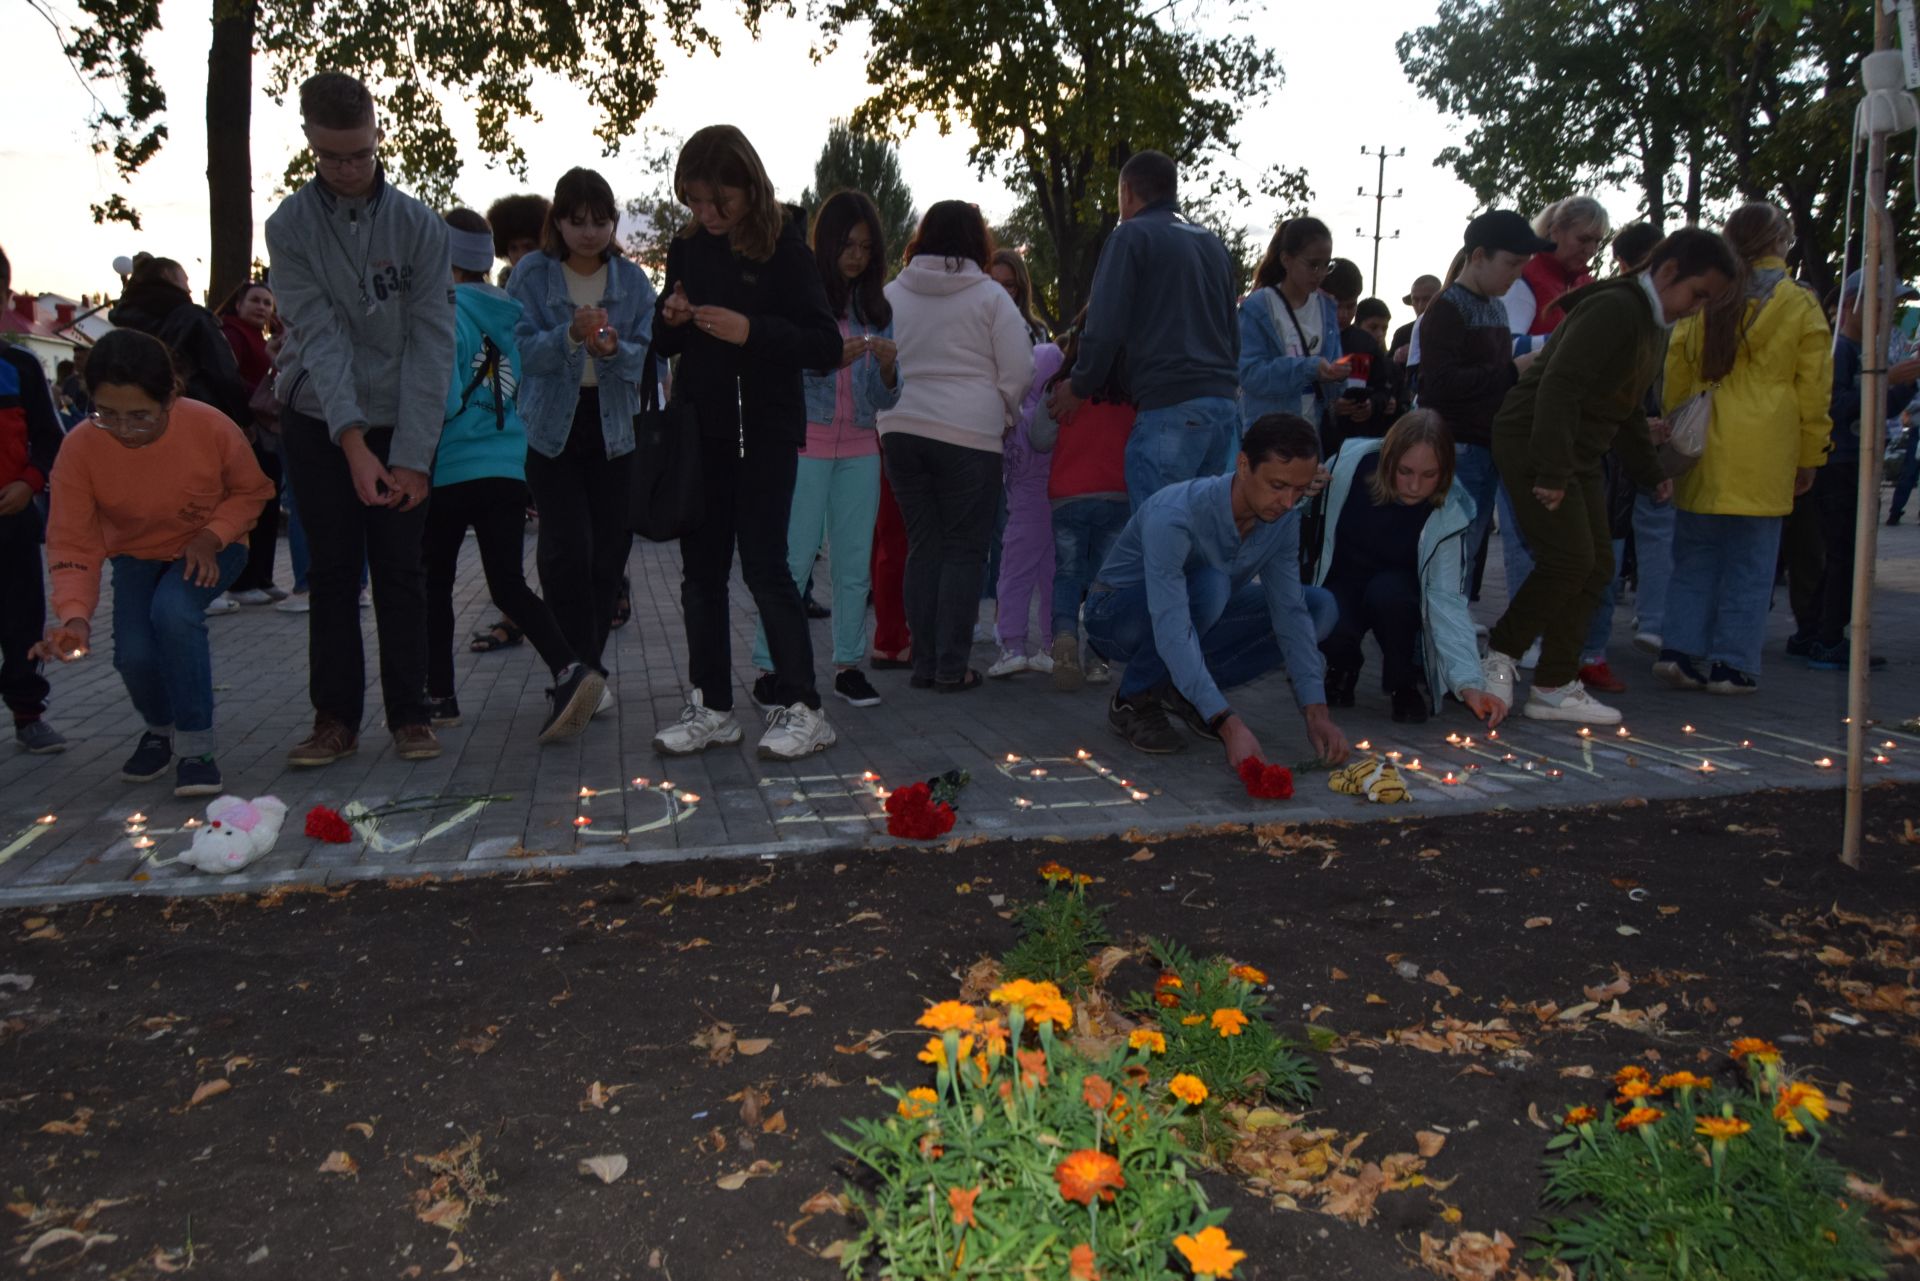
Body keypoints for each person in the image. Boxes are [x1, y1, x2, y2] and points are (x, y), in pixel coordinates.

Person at [266, 71, 455, 766]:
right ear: (311, 145)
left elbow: (435, 341)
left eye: (360, 154)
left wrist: (412, 454)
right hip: (320, 417)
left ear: (379, 138)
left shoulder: (419, 226)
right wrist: (351, 441)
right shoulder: (288, 227)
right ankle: (334, 718)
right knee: (336, 570)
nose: (347, 169)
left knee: (402, 566)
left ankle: (412, 712)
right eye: (332, 157)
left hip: (401, 412)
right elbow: (318, 337)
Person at [1479, 228, 1736, 725]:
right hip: (1536, 440)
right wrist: (1552, 471)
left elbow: (1627, 406)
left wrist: (1649, 472)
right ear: (1665, 271)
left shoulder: (1653, 322)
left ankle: (1554, 685)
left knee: (1596, 566)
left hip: (1576, 449)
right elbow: (1559, 386)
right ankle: (1501, 655)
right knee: (1569, 560)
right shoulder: (1616, 309)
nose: (1697, 308)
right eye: (1697, 294)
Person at [649, 125, 844, 759]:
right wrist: (670, 319)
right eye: (693, 202)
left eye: (716, 202)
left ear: (747, 187)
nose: (704, 215)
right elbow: (664, 343)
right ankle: (712, 707)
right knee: (700, 576)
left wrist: (750, 331)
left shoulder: (786, 248)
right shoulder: (687, 248)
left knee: (767, 569)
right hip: (702, 433)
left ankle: (805, 709)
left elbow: (823, 345)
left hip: (764, 433)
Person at [32, 329, 274, 796]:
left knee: (174, 612)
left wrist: (211, 535)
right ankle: (160, 730)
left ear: (171, 396)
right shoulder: (81, 448)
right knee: (133, 654)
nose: (123, 430)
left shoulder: (210, 427)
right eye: (107, 414)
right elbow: (72, 540)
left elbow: (254, 490)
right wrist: (75, 617)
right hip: (137, 555)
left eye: (140, 416)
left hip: (214, 546)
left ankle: (197, 747)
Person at [424, 208, 604, 741]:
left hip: (453, 466)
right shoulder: (511, 311)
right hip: (507, 463)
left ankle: (440, 695)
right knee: (507, 582)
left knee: (434, 580)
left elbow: (446, 395)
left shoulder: (446, 315)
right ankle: (570, 668)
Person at [1082, 412, 1348, 767]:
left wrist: (1317, 712)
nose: (1287, 503)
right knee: (1211, 585)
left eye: (1299, 490)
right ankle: (1133, 698)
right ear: (1242, 464)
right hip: (1117, 615)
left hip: (1198, 613)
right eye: (1278, 486)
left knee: (1320, 608)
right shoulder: (1176, 514)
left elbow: (1290, 612)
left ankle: (1184, 691)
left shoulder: (1283, 519)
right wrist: (1227, 723)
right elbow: (1172, 624)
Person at [1653, 204, 1831, 695]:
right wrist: (1812, 454)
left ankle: (1681, 652)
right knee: (1752, 565)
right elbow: (1815, 386)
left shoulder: (1710, 293)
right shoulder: (1798, 302)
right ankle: (1732, 665)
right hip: (1768, 446)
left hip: (1704, 439)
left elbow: (1678, 369)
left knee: (1695, 556)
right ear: (1780, 242)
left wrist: (1674, 431)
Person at [872, 200, 1035, 694]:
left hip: (901, 429)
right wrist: (1003, 410)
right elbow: (1021, 367)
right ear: (976, 242)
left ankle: (923, 663)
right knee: (965, 552)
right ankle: (951, 666)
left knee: (924, 546)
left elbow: (877, 359)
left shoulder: (891, 294)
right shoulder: (990, 297)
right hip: (969, 436)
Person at [747, 190, 901, 708]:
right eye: (847, 244)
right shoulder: (803, 297)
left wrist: (886, 368)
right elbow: (785, 364)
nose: (856, 255)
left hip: (861, 448)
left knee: (854, 566)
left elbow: (885, 397)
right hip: (806, 446)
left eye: (865, 246)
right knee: (791, 560)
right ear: (826, 243)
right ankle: (772, 668)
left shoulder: (878, 309)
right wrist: (827, 359)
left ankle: (848, 666)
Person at [507, 167, 655, 699]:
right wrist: (568, 335)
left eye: (600, 221)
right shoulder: (530, 275)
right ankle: (574, 670)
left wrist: (616, 352)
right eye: (577, 221)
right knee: (565, 548)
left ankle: (584, 668)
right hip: (550, 429)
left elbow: (648, 359)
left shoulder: (634, 281)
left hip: (614, 429)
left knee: (608, 552)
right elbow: (519, 350)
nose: (589, 232)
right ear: (559, 222)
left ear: (613, 223)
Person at [1049, 151, 1238, 506]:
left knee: (1158, 537)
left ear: (1126, 191)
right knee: (1200, 539)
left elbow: (1105, 326)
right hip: (1221, 408)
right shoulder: (1212, 243)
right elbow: (1232, 330)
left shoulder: (1131, 236)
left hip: (1170, 406)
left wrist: (1081, 383)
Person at [1310, 410, 1506, 727]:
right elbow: (1297, 511)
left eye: (1430, 475)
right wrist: (1303, 490)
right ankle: (1342, 666)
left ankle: (1403, 683)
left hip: (1397, 593)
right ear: (1388, 460)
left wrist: (1469, 683)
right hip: (1342, 580)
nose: (1415, 486)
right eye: (1405, 471)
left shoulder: (1450, 510)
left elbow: (1447, 600)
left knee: (1391, 596)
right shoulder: (1348, 465)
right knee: (1327, 608)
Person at [1417, 211, 1545, 585]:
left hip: (1488, 445)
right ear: (1478, 257)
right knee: (1452, 550)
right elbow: (1437, 386)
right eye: (1511, 263)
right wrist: (1512, 371)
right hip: (1456, 446)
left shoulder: (1496, 306)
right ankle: (1435, 634)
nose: (1517, 274)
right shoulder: (1446, 307)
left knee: (1468, 551)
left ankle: (1451, 625)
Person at [1802, 269, 1920, 670]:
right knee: (1844, 551)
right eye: (1882, 305)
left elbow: (1878, 406)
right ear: (1853, 304)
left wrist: (1905, 383)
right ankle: (1827, 636)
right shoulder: (1840, 351)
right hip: (1838, 460)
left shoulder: (1863, 351)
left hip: (1855, 457)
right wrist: (1887, 381)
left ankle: (1818, 630)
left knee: (1845, 550)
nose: (1888, 315)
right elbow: (1835, 406)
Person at [1031, 310, 1133, 691]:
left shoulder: (1061, 388)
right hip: (1117, 495)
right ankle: (1098, 657)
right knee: (1106, 581)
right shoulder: (1131, 393)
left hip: (1068, 495)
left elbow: (1039, 438)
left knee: (1068, 572)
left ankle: (1064, 640)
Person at [470, 190, 553, 653]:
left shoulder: (553, 282)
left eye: (530, 245)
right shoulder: (497, 290)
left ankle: (596, 595)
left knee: (559, 523)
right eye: (515, 247)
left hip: (549, 416)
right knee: (511, 528)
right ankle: (514, 614)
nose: (522, 256)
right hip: (507, 419)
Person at [0, 245, 68, 754]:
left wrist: (29, 481)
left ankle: (28, 712)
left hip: (13, 518)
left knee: (20, 616)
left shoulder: (19, 365)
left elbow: (50, 438)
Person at [1606, 221, 1675, 655]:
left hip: (1647, 425)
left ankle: (1648, 619)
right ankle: (1639, 620)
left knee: (1642, 522)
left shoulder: (1652, 308)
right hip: (1629, 428)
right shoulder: (1624, 308)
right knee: (1622, 524)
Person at [989, 330, 1060, 678]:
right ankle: (1050, 645)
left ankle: (1013, 644)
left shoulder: (1017, 416)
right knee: (1051, 578)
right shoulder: (1055, 416)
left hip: (1023, 511)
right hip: (1054, 509)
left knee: (1013, 576)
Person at [1238, 217, 1344, 445]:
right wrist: (1309, 368)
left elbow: (1332, 380)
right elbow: (1249, 374)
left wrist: (1339, 377)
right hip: (1267, 438)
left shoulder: (1327, 307)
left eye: (1327, 265)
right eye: (1313, 264)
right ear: (1286, 259)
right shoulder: (1258, 307)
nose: (1321, 273)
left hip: (1311, 437)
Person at [216, 280, 287, 605]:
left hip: (265, 430)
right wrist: (253, 407)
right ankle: (243, 581)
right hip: (249, 430)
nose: (262, 307)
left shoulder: (260, 339)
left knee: (268, 504)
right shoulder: (232, 335)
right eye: (255, 301)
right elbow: (231, 380)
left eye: (267, 303)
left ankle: (261, 576)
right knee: (254, 504)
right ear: (238, 304)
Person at [1503, 196, 1611, 350]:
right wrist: (1572, 340)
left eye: (1597, 242)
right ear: (1555, 231)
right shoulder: (1525, 277)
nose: (1591, 250)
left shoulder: (1588, 284)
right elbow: (1505, 348)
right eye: (1583, 239)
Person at [1321, 260, 1393, 449]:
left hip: (1357, 442)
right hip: (1319, 438)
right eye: (1337, 306)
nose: (1344, 314)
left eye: (1350, 306)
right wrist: (1331, 407)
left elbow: (1384, 388)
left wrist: (1371, 405)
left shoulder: (1365, 342)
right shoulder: (1311, 339)